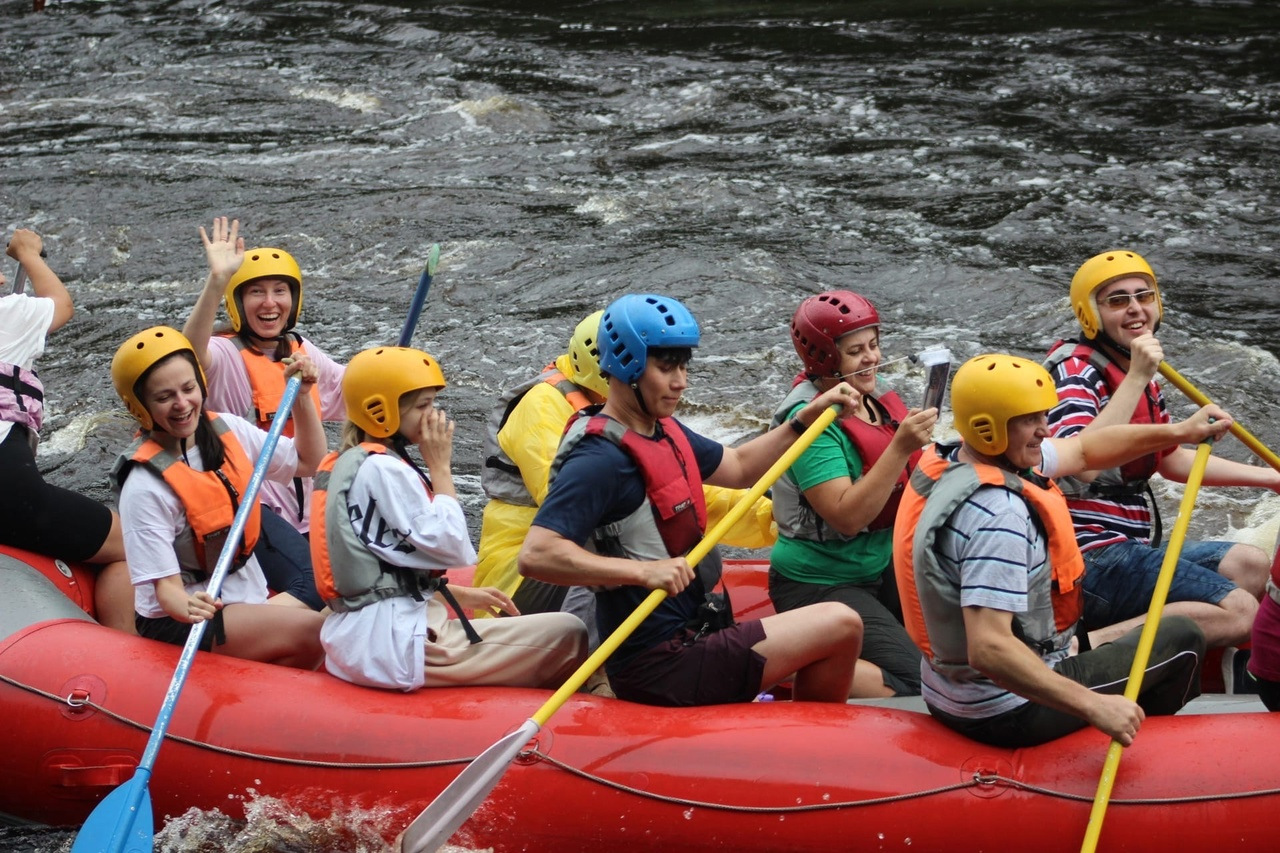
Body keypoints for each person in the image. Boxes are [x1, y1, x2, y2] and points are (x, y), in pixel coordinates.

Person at [519, 293, 864, 707]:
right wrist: (642, 573)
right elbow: (537, 555)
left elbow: (738, 467)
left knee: (830, 627)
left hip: (698, 631)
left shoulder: (660, 428)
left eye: (683, 366)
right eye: (666, 368)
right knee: (840, 623)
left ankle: (801, 739)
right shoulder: (598, 459)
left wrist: (804, 417)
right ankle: (813, 748)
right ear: (627, 366)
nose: (680, 381)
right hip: (660, 664)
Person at [895, 354, 1229, 748]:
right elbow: (988, 649)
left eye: (1044, 415)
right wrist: (1093, 705)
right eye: (1029, 420)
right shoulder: (998, 516)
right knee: (1182, 635)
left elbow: (1085, 450)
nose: (1044, 429)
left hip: (949, 691)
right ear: (988, 428)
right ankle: (1139, 742)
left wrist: (1179, 432)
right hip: (1006, 709)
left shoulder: (949, 457)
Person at [475, 309, 776, 635]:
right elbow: (614, 504)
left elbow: (688, 482)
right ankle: (595, 669)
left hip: (557, 569)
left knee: (688, 545)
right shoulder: (542, 406)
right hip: (518, 583)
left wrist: (769, 515)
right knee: (617, 542)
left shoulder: (626, 416)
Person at [312, 345, 588, 691]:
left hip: (370, 639)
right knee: (571, 632)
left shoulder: (353, 462)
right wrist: (440, 466)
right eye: (423, 406)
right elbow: (453, 547)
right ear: (380, 412)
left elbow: (385, 568)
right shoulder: (383, 470)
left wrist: (458, 595)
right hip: (396, 651)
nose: (434, 415)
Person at [1044, 250, 1277, 656]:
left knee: (1251, 565)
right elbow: (1077, 465)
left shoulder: (1138, 371)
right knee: (1240, 611)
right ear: (1089, 314)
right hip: (1087, 562)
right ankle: (1080, 650)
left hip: (1130, 547)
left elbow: (1171, 461)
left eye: (1144, 296)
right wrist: (1137, 376)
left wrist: (1273, 478)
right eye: (1117, 300)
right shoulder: (1075, 372)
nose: (1135, 309)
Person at [109, 326, 326, 668]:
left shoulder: (227, 429)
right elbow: (165, 588)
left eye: (188, 388)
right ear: (139, 406)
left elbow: (307, 461)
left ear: (201, 385)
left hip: (239, 589)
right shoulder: (143, 485)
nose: (182, 404)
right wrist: (186, 605)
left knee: (333, 606)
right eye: (164, 397)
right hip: (181, 617)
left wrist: (302, 398)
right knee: (317, 631)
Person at [769, 290, 937, 697]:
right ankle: (787, 667)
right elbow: (846, 516)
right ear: (825, 359)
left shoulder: (871, 401)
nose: (872, 359)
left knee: (955, 653)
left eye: (874, 345)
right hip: (818, 583)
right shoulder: (812, 421)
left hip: (879, 567)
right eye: (856, 351)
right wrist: (900, 448)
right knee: (921, 683)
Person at [183, 217, 346, 611]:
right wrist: (217, 281)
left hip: (306, 509)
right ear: (237, 302)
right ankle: (241, 633)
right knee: (312, 587)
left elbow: (357, 389)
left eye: (280, 291)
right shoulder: (221, 354)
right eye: (256, 291)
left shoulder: (301, 350)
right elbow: (186, 354)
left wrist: (397, 369)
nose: (270, 302)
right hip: (250, 505)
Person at [0, 229, 136, 634]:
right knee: (135, 545)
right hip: (11, 498)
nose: (4, 280)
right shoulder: (8, 314)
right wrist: (29, 254)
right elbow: (61, 305)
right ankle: (123, 661)